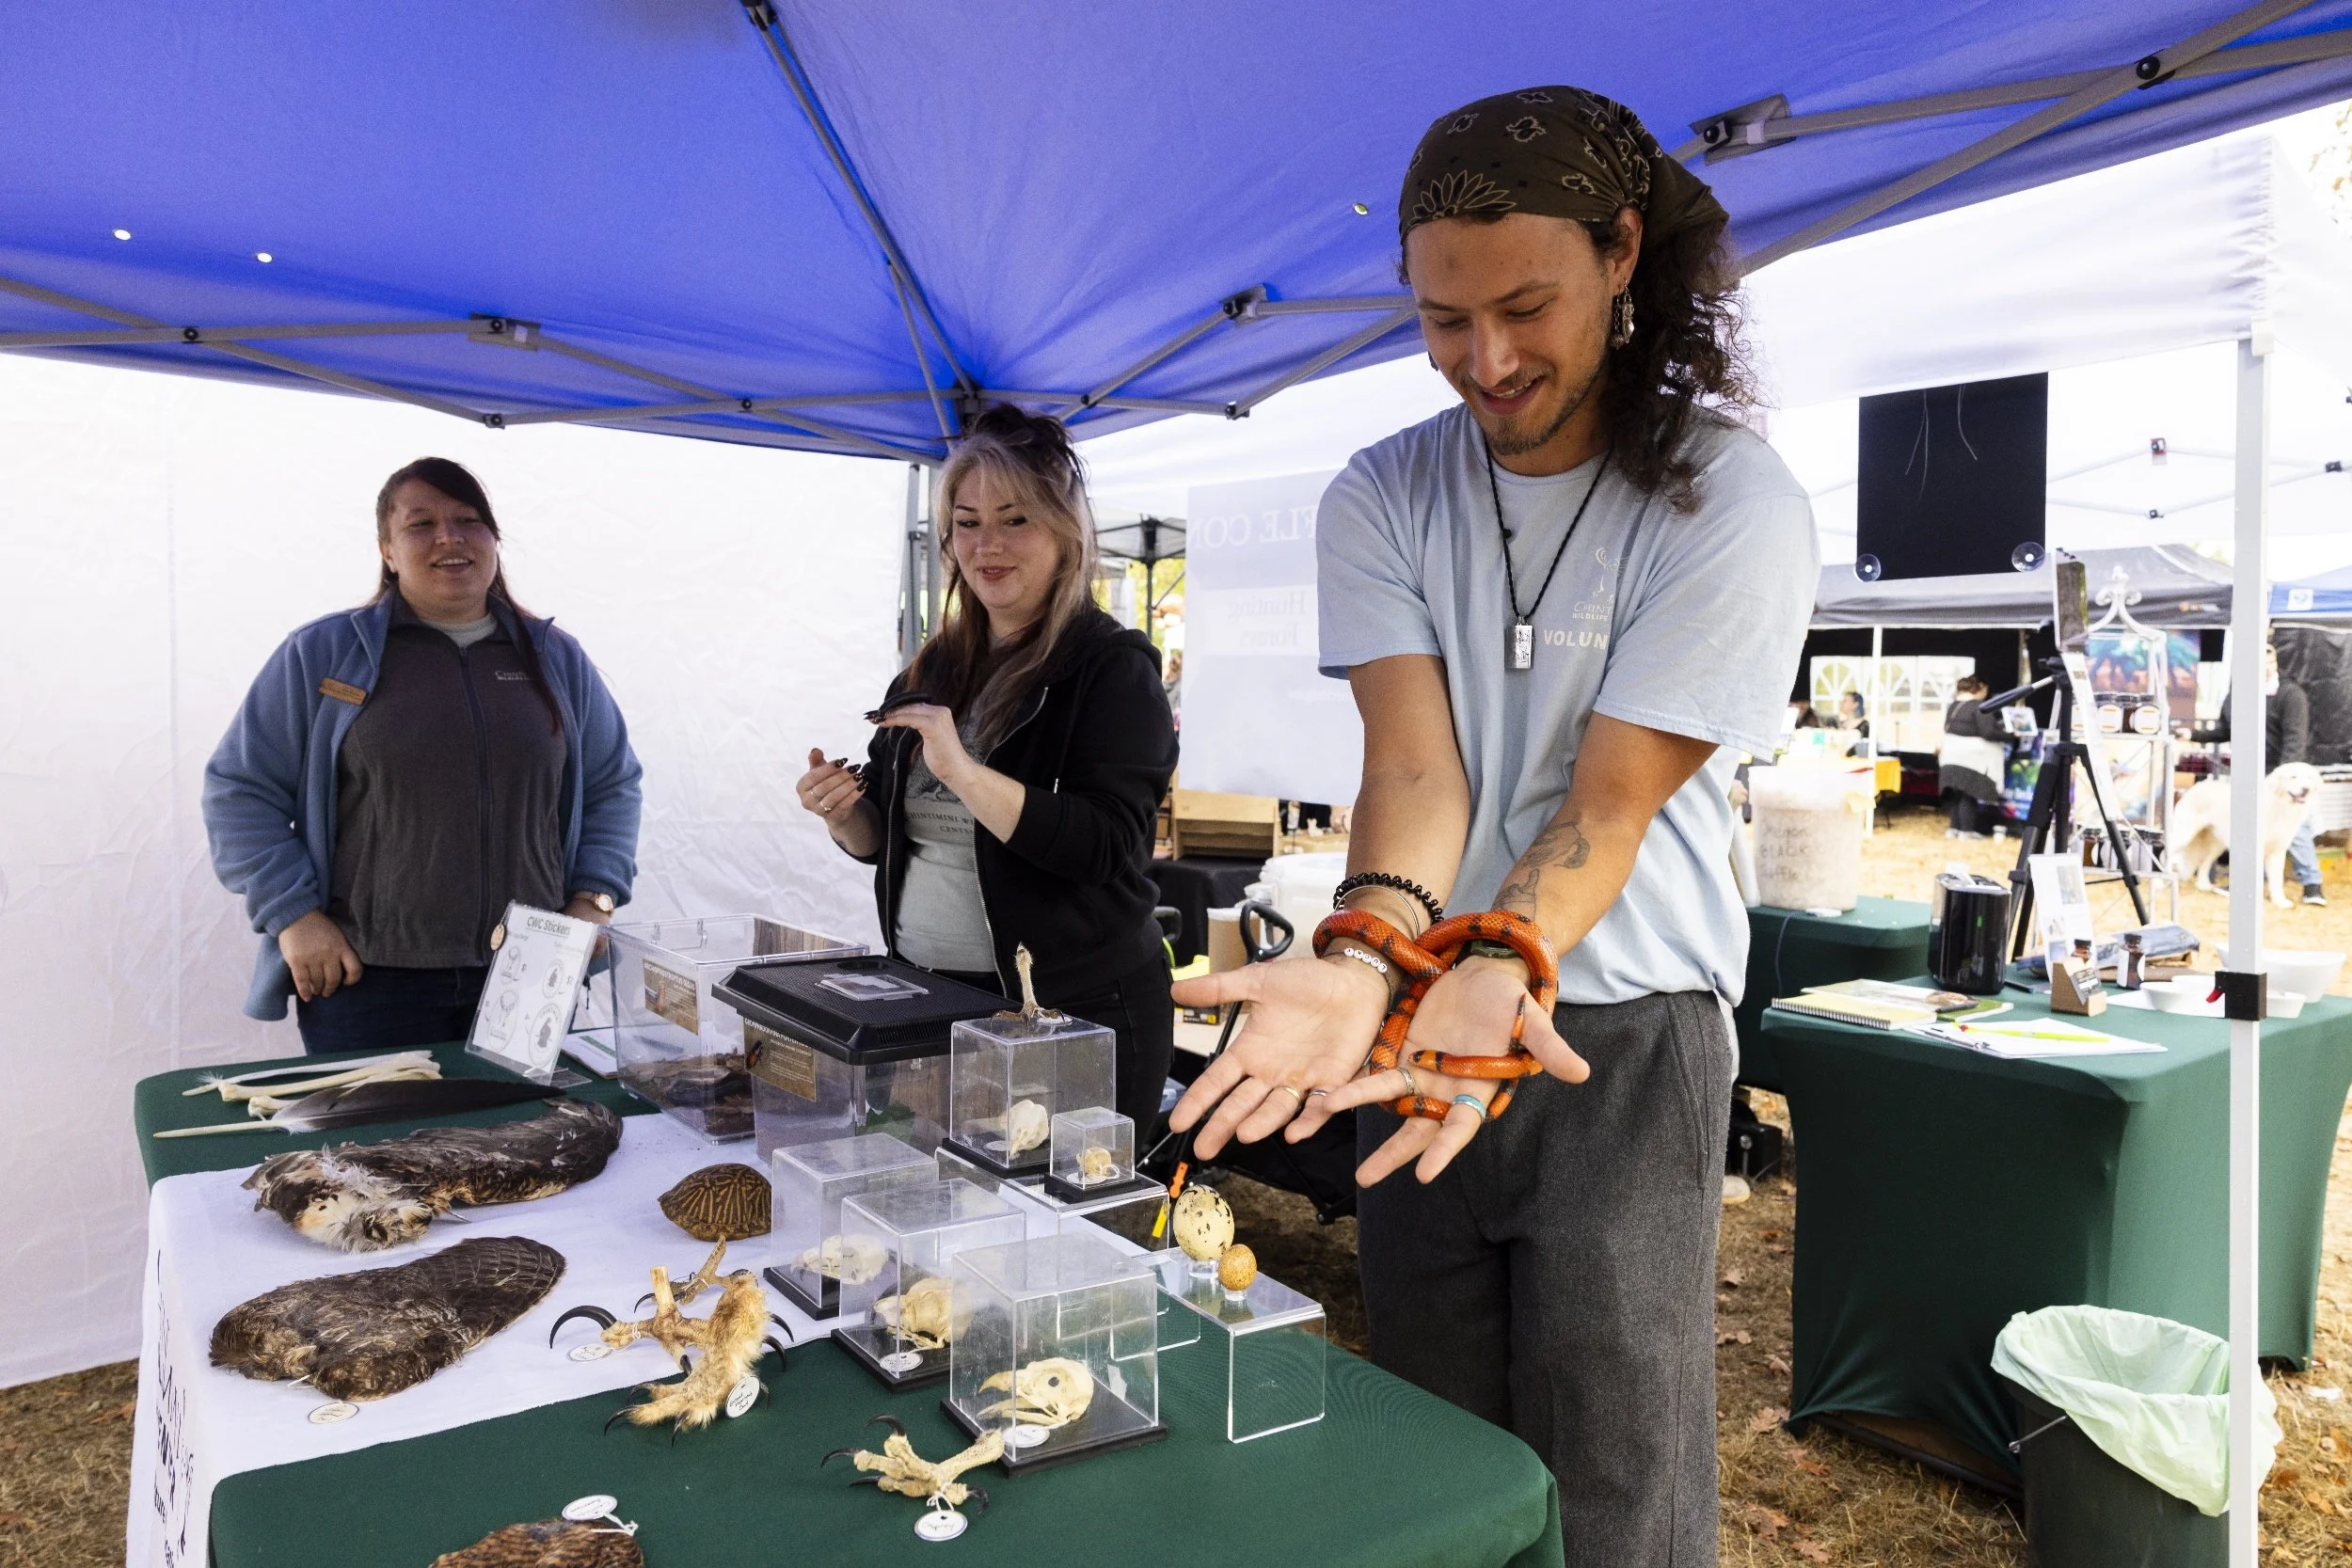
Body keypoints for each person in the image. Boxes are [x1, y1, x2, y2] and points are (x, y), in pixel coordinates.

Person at [1167, 87, 1816, 1563]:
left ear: (1623, 253)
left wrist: (1503, 954)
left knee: (1613, 1457)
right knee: (1433, 1436)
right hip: (1418, 1032)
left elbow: (1612, 798)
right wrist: (1366, 952)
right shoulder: (1384, 491)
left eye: (1525, 306)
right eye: (1443, 320)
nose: (1489, 360)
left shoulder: (1730, 499)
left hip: (1627, 1034)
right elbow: (1416, 769)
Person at [795, 404, 1180, 1135]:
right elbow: (885, 837)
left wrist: (965, 771)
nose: (987, 545)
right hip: (930, 1004)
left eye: (1014, 520)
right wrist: (844, 811)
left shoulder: (1113, 669)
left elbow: (1107, 845)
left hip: (1071, 1016)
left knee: (1061, 1230)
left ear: (1065, 535)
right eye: (967, 523)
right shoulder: (936, 665)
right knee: (947, 1218)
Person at [205, 458, 644, 1051]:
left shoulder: (555, 659)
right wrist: (295, 917)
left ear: (494, 541)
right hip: (369, 981)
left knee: (524, 1141)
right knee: (380, 1146)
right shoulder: (324, 654)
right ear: (387, 550)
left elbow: (614, 785)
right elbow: (239, 792)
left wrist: (594, 900)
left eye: (469, 520)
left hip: (530, 969)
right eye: (421, 524)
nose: (449, 537)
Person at [2216, 640, 2325, 904]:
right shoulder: (2236, 695)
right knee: (2250, 831)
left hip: (2282, 777)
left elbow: (2295, 741)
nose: (2265, 668)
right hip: (2246, 776)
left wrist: (2284, 780)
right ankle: (2245, 882)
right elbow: (2223, 731)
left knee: (2293, 831)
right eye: (2259, 663)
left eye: (2269, 662)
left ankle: (2312, 885)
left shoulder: (2290, 694)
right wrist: (2191, 734)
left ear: (2275, 664)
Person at [1939, 674, 2009, 837]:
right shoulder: (1979, 707)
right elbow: (1988, 732)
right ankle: (1967, 832)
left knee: (1957, 793)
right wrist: (2012, 735)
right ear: (1981, 688)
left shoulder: (1954, 705)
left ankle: (1954, 829)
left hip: (1951, 755)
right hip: (1972, 759)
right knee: (1969, 794)